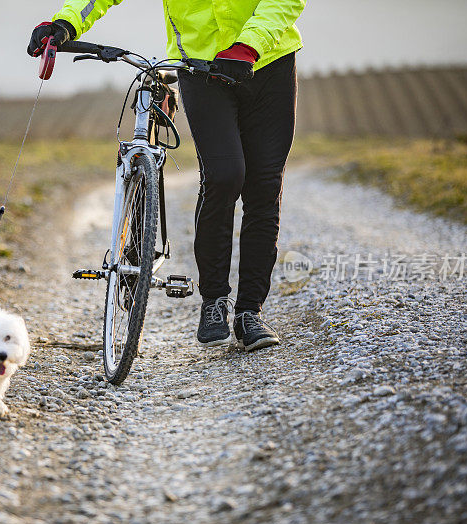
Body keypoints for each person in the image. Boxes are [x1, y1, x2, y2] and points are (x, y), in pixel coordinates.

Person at [28, 0, 305, 351]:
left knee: (264, 188)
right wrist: (66, 22)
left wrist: (250, 44)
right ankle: (215, 301)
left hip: (270, 64)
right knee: (224, 176)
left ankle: (251, 312)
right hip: (201, 67)